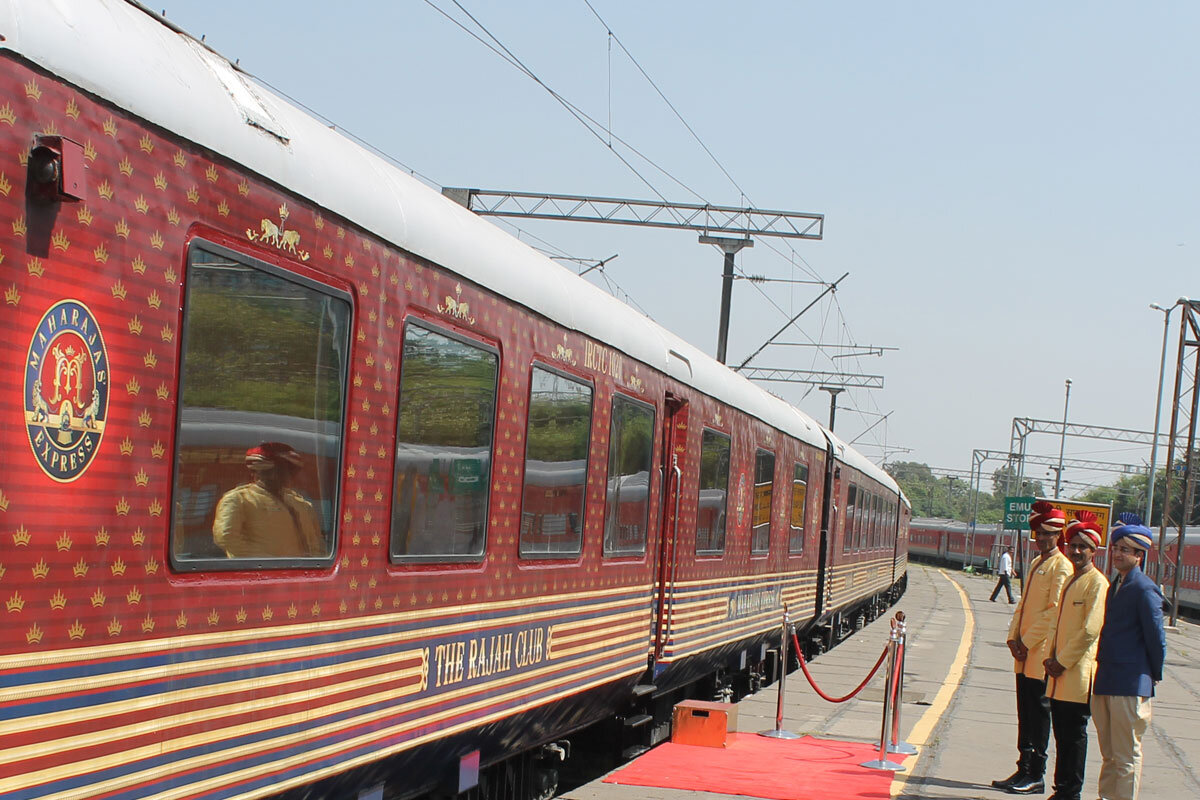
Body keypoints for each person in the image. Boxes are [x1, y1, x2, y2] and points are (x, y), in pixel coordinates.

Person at [994, 501, 1073, 794]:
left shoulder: (1060, 566)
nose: (1041, 538)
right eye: (1038, 533)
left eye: (1047, 534)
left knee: (1038, 714)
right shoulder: (1039, 562)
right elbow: (1024, 606)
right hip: (1023, 654)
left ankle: (1036, 772)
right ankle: (1023, 767)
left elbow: (1053, 611)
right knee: (1024, 713)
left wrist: (1025, 642)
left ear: (1058, 535)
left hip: (1038, 656)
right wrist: (1013, 638)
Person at [1091, 513, 1166, 800]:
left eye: (1125, 550)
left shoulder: (1144, 589)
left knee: (1125, 755)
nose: (1118, 554)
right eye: (1116, 548)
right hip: (1107, 680)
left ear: (1139, 555)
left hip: (1131, 683)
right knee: (1109, 753)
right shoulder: (1118, 584)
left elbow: (1156, 639)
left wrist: (1152, 675)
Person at [1042, 511, 1109, 800]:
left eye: (1084, 547)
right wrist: (1049, 657)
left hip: (1075, 674)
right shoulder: (1073, 579)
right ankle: (1061, 789)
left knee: (1073, 737)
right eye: (1074, 546)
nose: (1077, 551)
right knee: (1061, 737)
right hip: (1057, 674)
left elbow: (1090, 630)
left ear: (1094, 551)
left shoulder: (1097, 583)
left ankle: (1070, 792)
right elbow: (1057, 624)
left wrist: (1061, 661)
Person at [213, 441, 324, 558]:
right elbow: (226, 538)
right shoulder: (238, 500)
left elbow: (317, 544)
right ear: (256, 473)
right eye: (273, 471)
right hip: (264, 574)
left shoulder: (301, 505)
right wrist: (270, 563)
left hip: (306, 574)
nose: (283, 476)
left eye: (287, 472)